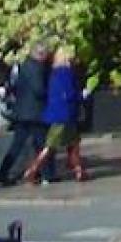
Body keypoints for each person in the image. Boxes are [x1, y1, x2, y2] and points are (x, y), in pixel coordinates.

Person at [0, 39, 51, 187]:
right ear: (40, 54)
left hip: (22, 112)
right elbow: (39, 89)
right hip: (35, 113)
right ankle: (46, 174)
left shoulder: (24, 65)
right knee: (41, 143)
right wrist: (49, 94)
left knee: (17, 145)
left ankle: (2, 173)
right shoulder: (37, 68)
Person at [27, 41, 85, 186]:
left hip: (55, 113)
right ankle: (33, 169)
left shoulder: (53, 73)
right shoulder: (67, 73)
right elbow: (71, 93)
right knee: (52, 145)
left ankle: (79, 170)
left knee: (73, 142)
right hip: (66, 114)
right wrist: (81, 97)